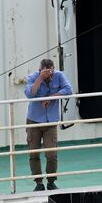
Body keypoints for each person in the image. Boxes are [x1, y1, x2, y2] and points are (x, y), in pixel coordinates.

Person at [24, 58, 73, 192]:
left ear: (53, 70)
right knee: (34, 153)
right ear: (40, 70)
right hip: (34, 120)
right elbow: (29, 93)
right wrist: (40, 79)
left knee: (51, 154)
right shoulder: (34, 76)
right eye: (44, 73)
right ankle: (38, 183)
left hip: (51, 121)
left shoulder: (59, 75)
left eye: (49, 74)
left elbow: (69, 90)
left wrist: (51, 97)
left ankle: (51, 181)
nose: (48, 76)